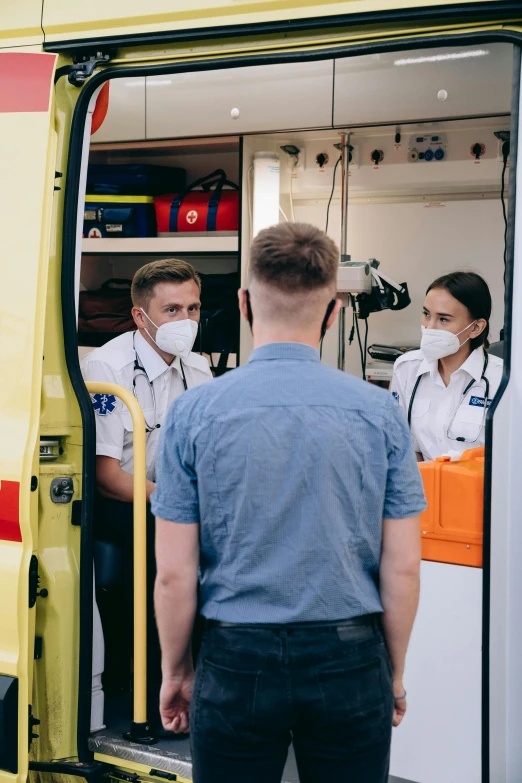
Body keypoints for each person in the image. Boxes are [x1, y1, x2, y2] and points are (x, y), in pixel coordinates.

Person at [151, 223, 426, 783]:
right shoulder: (378, 413)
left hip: (234, 656)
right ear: (331, 312)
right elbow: (403, 566)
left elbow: (174, 574)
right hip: (349, 657)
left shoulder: (195, 412)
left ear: (245, 304)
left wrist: (175, 670)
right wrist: (392, 674)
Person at [81, 258, 212, 730]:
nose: (186, 321)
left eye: (193, 308)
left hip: (175, 505)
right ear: (141, 316)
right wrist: (184, 506)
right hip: (124, 507)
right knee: (169, 568)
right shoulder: (107, 365)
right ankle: (156, 704)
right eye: (172, 309)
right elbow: (107, 478)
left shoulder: (199, 367)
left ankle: (206, 693)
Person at [390, 271, 503, 462]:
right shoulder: (407, 369)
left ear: (476, 328)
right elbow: (401, 446)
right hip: (425, 486)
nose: (430, 327)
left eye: (443, 319)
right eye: (426, 314)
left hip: (480, 489)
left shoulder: (502, 380)